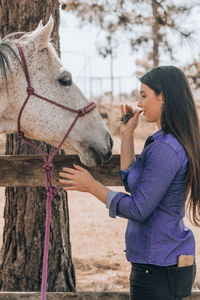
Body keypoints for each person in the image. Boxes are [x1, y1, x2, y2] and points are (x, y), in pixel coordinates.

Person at [59, 66, 200, 300]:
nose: (139, 103)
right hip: (160, 263)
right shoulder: (165, 141)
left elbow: (138, 208)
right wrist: (127, 134)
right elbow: (133, 184)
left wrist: (92, 186)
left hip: (158, 268)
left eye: (144, 95)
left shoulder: (165, 148)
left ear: (162, 96)